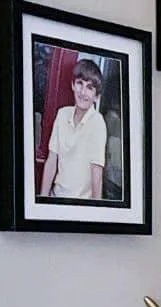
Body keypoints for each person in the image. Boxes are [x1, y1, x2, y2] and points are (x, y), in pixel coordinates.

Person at [39, 58, 107, 200]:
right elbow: (51, 161)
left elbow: (97, 173)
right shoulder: (62, 114)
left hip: (81, 205)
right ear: (72, 85)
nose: (83, 92)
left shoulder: (97, 123)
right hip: (56, 196)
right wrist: (43, 201)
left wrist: (98, 215)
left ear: (96, 96)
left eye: (90, 87)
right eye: (80, 84)